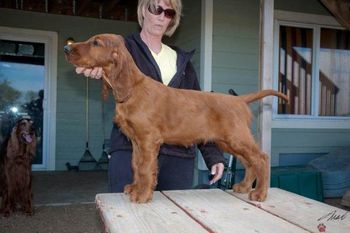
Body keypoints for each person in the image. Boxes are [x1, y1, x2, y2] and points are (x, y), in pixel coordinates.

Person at [76, 0, 225, 192]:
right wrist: (95, 69)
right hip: (131, 150)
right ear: (143, 10)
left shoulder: (183, 62)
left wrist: (213, 155)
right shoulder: (122, 49)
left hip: (178, 156)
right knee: (127, 216)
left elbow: (198, 111)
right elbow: (99, 59)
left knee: (171, 219)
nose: (162, 16)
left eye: (169, 13)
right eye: (156, 9)